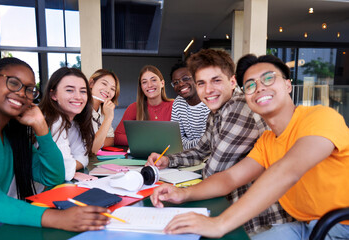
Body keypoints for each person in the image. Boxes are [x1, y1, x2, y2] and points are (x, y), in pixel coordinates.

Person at [150, 54, 349, 239]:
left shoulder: (321, 117)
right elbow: (229, 177)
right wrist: (182, 193)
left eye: (268, 79)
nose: (260, 87)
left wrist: (218, 224)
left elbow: (289, 170)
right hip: (305, 226)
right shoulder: (268, 141)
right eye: (251, 85)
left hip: (339, 226)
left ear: (288, 85)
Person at [0, 58, 109, 239]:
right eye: (13, 83)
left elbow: (53, 177)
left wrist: (41, 127)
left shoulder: (11, 130)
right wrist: (56, 218)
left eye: (29, 89)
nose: (21, 93)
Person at [147, 49, 292, 234]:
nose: (208, 90)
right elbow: (201, 151)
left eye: (216, 80)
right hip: (237, 211)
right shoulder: (217, 111)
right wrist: (168, 160)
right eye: (201, 83)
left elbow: (214, 171)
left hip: (263, 221)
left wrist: (182, 192)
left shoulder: (238, 108)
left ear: (232, 82)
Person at [39, 67, 94, 181]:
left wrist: (69, 166)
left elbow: (83, 158)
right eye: (69, 90)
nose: (78, 97)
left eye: (83, 91)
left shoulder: (74, 123)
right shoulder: (53, 121)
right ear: (53, 95)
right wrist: (69, 167)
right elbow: (64, 171)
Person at [114, 65, 173, 146]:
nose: (149, 85)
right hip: (143, 156)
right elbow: (117, 136)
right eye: (144, 82)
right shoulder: (134, 107)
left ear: (162, 83)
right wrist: (143, 142)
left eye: (153, 80)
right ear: (141, 87)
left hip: (168, 156)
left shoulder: (174, 105)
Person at [170, 61, 210, 149]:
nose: (180, 84)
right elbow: (175, 139)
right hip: (189, 156)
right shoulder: (178, 102)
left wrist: (184, 144)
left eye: (185, 78)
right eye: (175, 83)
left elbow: (207, 142)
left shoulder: (209, 101)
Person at [89, 69, 120, 154]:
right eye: (104, 83)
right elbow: (90, 147)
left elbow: (111, 139)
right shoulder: (79, 109)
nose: (107, 90)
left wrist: (97, 141)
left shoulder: (104, 111)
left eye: (112, 89)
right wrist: (109, 118)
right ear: (91, 83)